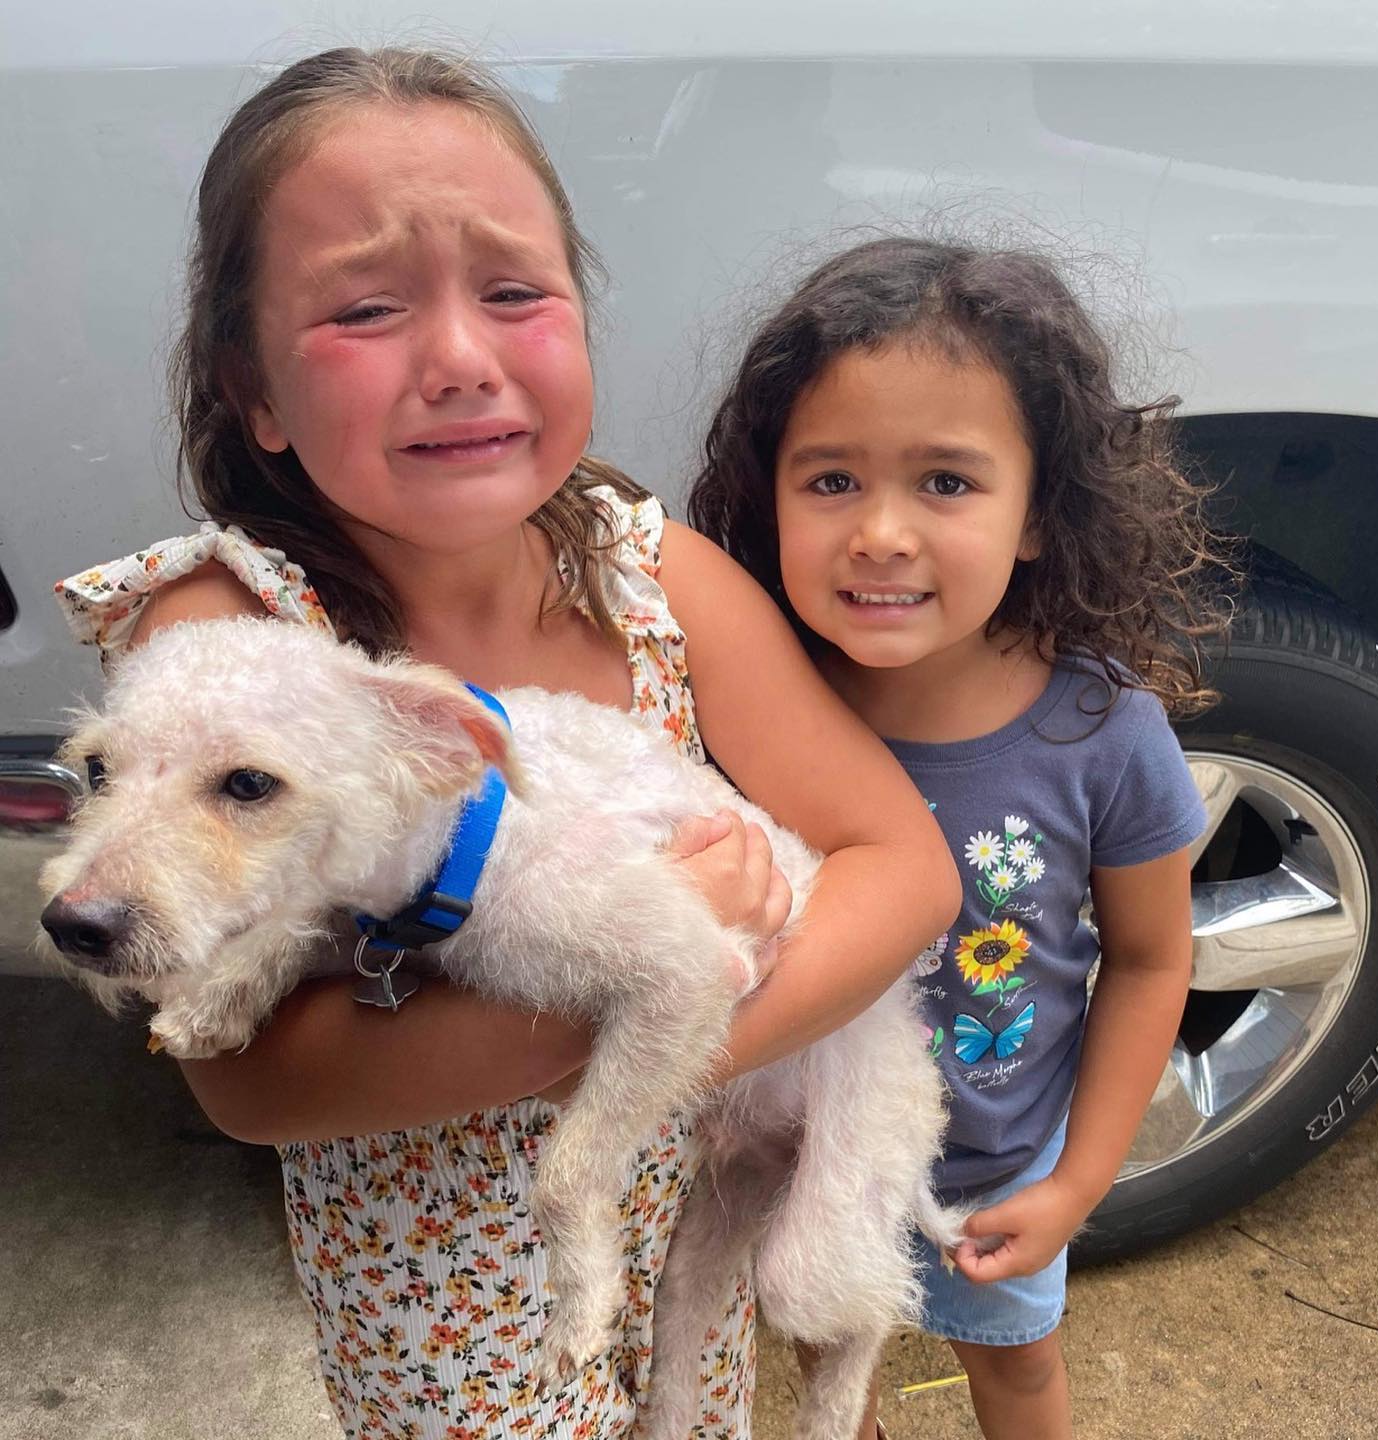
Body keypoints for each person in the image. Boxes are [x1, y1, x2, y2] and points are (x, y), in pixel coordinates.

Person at [53, 54, 959, 1440]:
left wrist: (680, 1011)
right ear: (257, 392)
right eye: (366, 307)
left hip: (664, 1249)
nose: (463, 359)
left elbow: (904, 869)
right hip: (441, 1329)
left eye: (518, 292)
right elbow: (246, 1083)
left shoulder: (656, 580)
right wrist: (628, 1000)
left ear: (584, 321)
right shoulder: (240, 637)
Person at [688, 236, 1233, 1440]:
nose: (881, 533)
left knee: (1020, 1374)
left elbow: (1151, 958)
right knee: (831, 1370)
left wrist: (1079, 1181)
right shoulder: (753, 708)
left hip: (1003, 1173)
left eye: (946, 482)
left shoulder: (1104, 730)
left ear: (1040, 516)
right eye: (831, 481)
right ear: (763, 494)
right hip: (803, 1164)